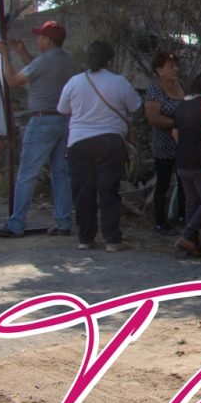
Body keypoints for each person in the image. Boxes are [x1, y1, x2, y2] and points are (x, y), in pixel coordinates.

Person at [0, 21, 78, 237]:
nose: (37, 39)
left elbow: (13, 80)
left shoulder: (42, 62)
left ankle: (16, 224)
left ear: (48, 40)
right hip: (64, 120)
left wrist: (5, 55)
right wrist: (22, 52)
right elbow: (37, 71)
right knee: (61, 173)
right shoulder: (68, 60)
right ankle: (63, 222)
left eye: (40, 36)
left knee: (27, 174)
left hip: (41, 121)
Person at [56, 40, 141, 251]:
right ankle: (112, 240)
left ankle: (85, 239)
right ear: (110, 61)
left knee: (83, 191)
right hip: (110, 141)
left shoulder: (74, 82)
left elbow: (63, 110)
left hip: (79, 141)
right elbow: (135, 106)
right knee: (109, 191)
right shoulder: (119, 82)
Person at [173, 69, 201, 258]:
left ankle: (192, 242)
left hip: (182, 160)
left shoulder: (182, 104)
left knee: (192, 201)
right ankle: (188, 235)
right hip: (200, 160)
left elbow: (175, 133)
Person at [143, 51, 185, 233]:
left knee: (184, 181)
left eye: (176, 65)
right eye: (170, 66)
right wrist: (176, 124)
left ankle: (182, 217)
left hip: (183, 144)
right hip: (164, 144)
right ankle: (160, 221)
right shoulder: (155, 90)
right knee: (163, 182)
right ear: (159, 70)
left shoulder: (180, 86)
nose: (175, 70)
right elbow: (153, 117)